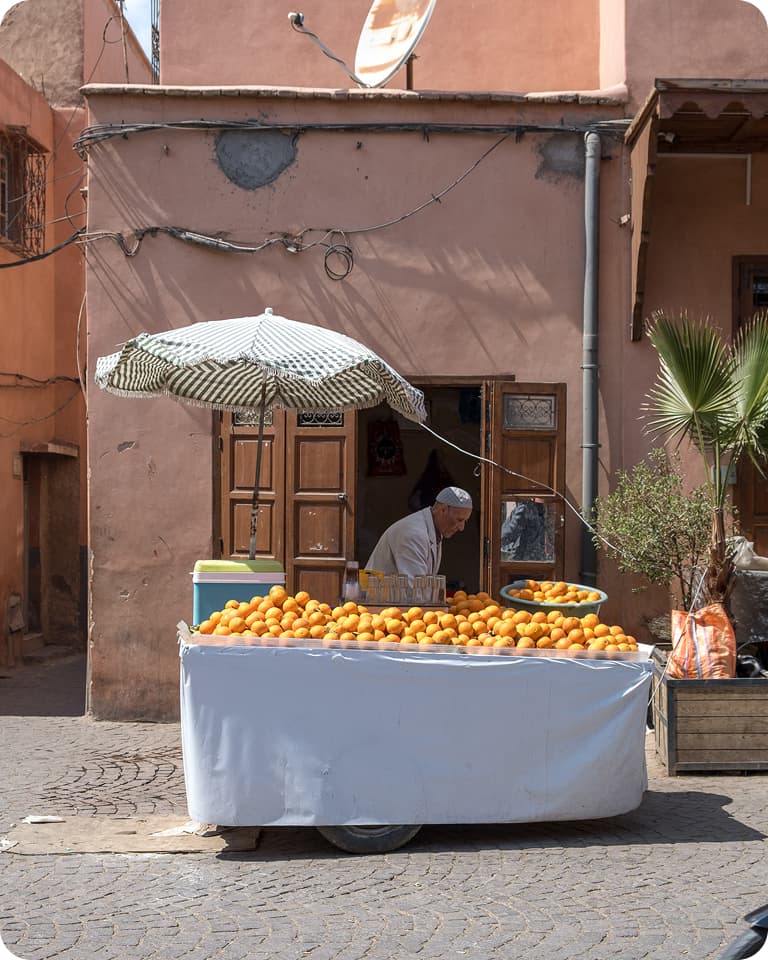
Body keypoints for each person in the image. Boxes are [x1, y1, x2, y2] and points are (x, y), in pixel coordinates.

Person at [365, 486, 473, 578]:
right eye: (459, 520)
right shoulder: (414, 534)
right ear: (443, 510)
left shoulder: (434, 531)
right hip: (378, 600)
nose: (461, 528)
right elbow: (416, 591)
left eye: (465, 521)